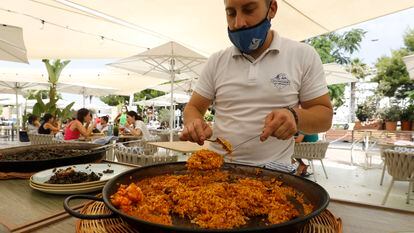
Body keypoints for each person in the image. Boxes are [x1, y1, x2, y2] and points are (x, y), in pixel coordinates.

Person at [180, 0, 333, 169]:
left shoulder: (302, 55)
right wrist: (194, 122)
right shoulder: (216, 61)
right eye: (231, 13)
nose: (238, 23)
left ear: (272, 9)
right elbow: (193, 107)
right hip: (218, 168)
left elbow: (324, 117)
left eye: (249, 10)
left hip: (275, 173)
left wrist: (295, 116)